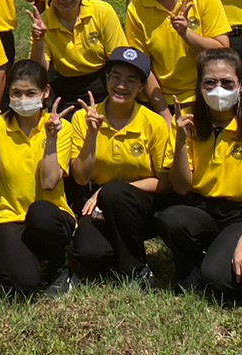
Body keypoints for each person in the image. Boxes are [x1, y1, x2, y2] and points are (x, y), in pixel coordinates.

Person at [157, 49, 242, 298]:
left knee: (218, 280)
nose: (218, 89)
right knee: (171, 218)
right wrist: (180, 141)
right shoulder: (185, 122)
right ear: (199, 87)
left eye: (227, 83)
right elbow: (180, 187)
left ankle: (230, 257)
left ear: (241, 85)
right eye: (210, 82)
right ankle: (196, 267)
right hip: (203, 208)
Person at [68, 48, 175, 286]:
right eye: (116, 77)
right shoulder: (83, 119)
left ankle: (136, 269)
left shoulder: (154, 123)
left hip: (141, 204)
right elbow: (80, 178)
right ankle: (118, 247)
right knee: (89, 254)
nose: (121, 85)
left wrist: (107, 191)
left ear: (141, 87)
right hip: (98, 206)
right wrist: (92, 135)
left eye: (131, 80)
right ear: (107, 79)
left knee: (115, 193)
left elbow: (165, 183)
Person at [0, 61, 78, 298]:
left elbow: (49, 183)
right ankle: (27, 256)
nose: (23, 99)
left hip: (51, 214)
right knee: (22, 285)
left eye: (30, 93)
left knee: (41, 213)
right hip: (10, 215)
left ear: (45, 92)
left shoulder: (62, 128)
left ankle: (59, 267)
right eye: (16, 93)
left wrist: (51, 139)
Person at [123, 0, 231, 114]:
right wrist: (165, 114)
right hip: (158, 100)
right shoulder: (136, 9)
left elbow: (223, 50)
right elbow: (143, 67)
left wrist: (186, 34)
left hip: (203, 94)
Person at [28, 0, 127, 106]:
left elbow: (119, 58)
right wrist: (39, 41)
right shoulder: (44, 22)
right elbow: (39, 71)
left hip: (103, 80)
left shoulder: (102, 11)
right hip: (65, 85)